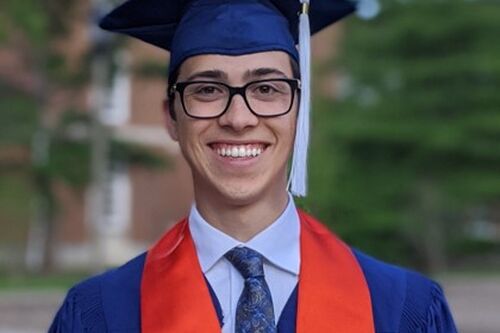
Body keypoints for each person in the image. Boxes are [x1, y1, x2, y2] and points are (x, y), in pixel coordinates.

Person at [49, 0, 458, 332]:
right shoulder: (97, 316)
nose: (239, 118)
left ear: (300, 111)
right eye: (207, 89)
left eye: (266, 89)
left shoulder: (405, 311)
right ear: (171, 117)